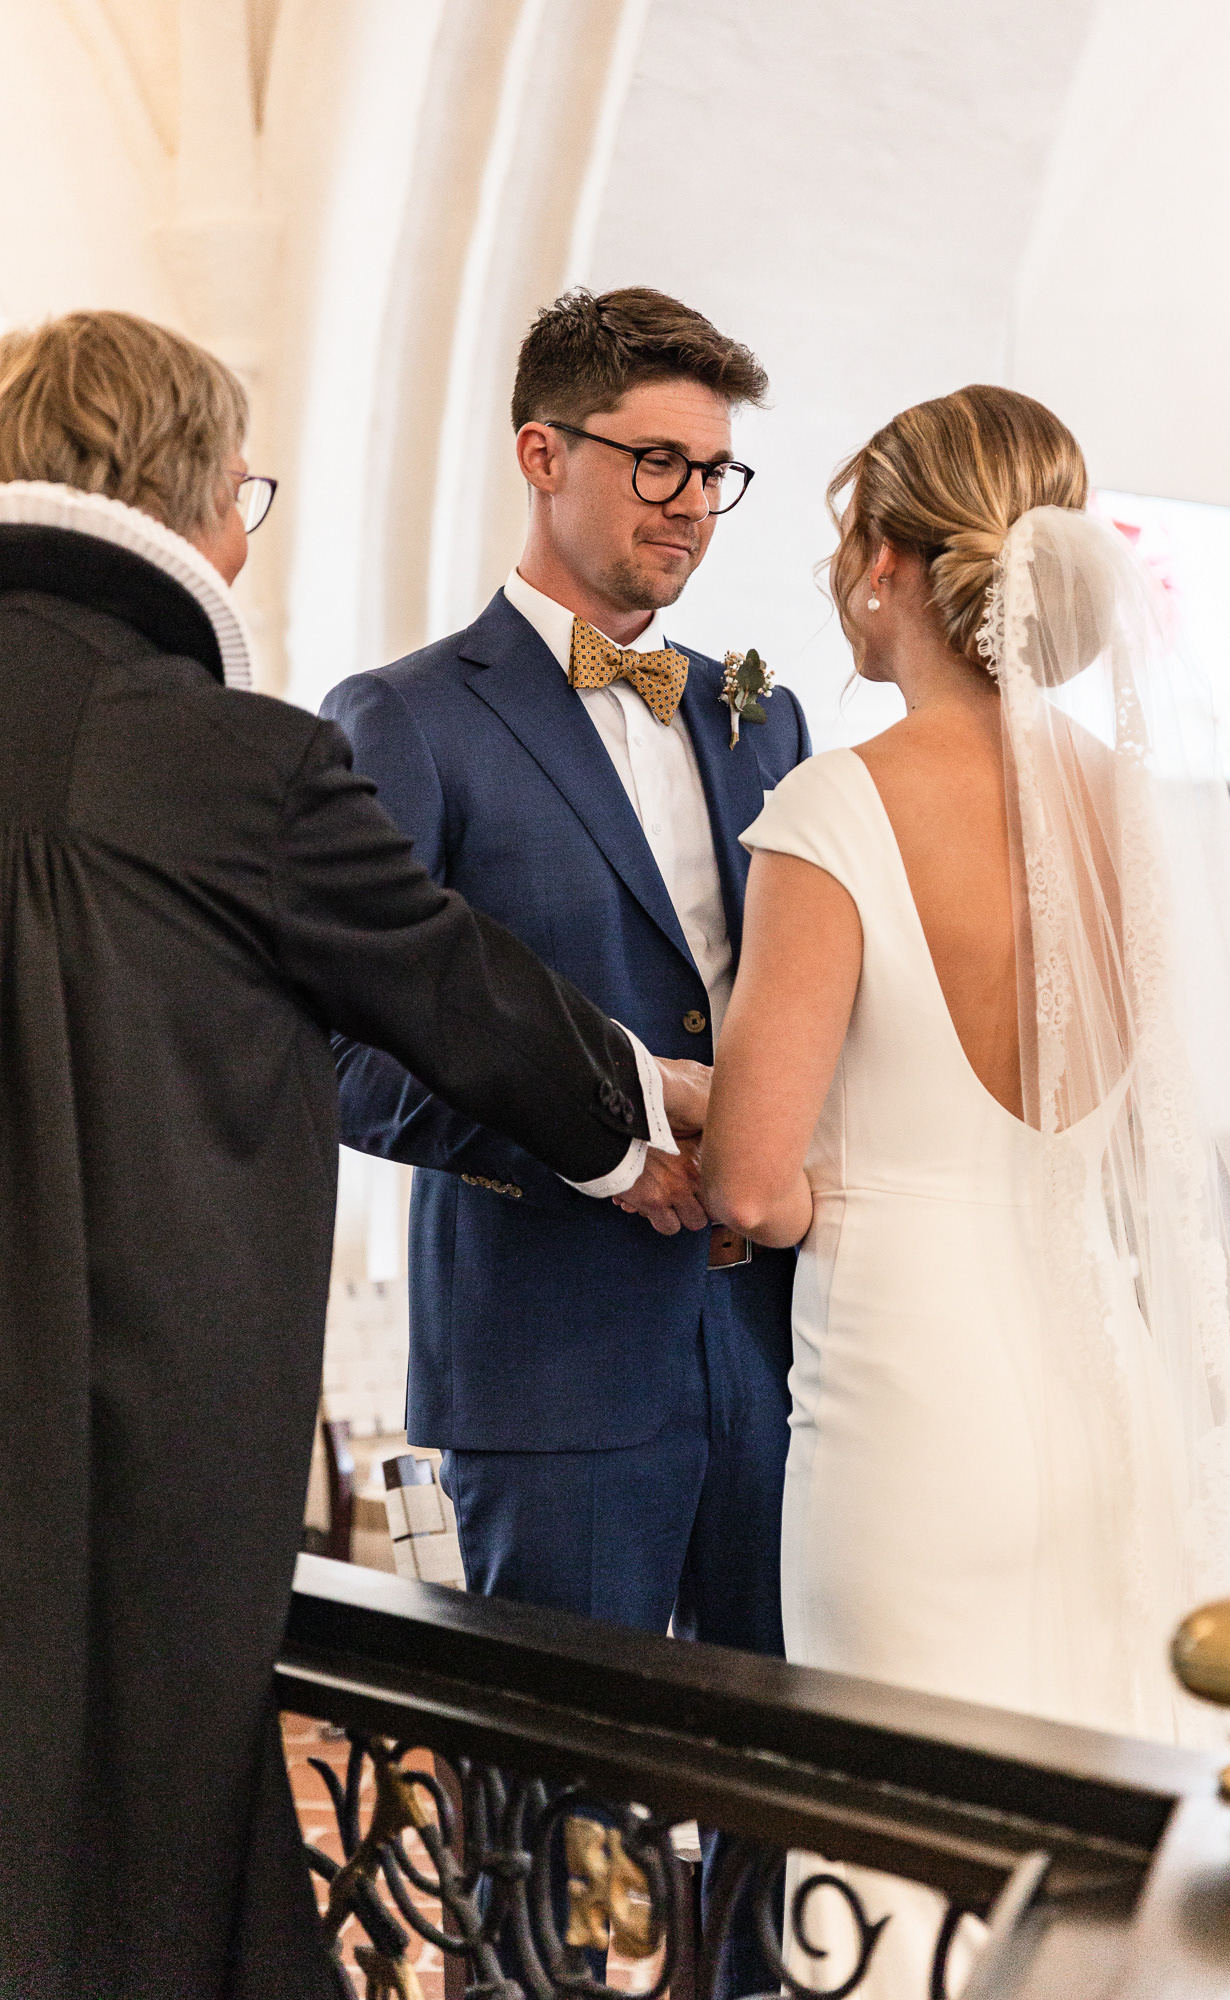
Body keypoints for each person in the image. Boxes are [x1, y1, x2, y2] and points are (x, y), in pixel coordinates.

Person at [0, 309, 705, 2000]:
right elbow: (447, 984)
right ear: (187, 495)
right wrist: (642, 1123)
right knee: (131, 1807)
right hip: (122, 1394)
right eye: (245, 495)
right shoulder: (232, 757)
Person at [701, 384, 1230, 1994]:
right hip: (1099, 1385)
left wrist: (793, 1177)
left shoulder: (835, 808)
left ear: (888, 564)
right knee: (1097, 1846)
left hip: (909, 1411)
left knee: (899, 1850)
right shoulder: (1121, 807)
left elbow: (749, 1185)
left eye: (845, 530)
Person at [323, 289, 808, 1664]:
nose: (692, 505)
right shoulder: (406, 717)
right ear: (542, 454)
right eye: (656, 462)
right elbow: (349, 1056)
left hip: (781, 1344)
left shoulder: (761, 716)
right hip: (551, 1351)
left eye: (714, 472)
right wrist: (600, 1146)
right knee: (557, 1777)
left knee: (793, 1758)